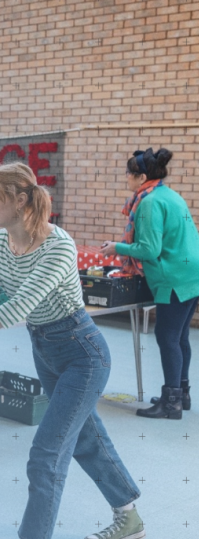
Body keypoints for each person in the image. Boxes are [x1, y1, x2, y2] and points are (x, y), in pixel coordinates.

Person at [0, 162, 142, 539]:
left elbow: (17, 308)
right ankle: (129, 517)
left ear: (20, 199)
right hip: (45, 351)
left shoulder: (58, 246)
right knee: (85, 439)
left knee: (47, 451)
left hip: (83, 354)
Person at [100, 148, 199, 419]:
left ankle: (171, 405)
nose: (126, 179)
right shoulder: (170, 194)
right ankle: (181, 394)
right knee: (179, 337)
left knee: (167, 337)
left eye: (128, 175)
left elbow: (149, 248)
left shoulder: (149, 203)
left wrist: (116, 247)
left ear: (141, 176)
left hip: (174, 277)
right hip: (191, 274)